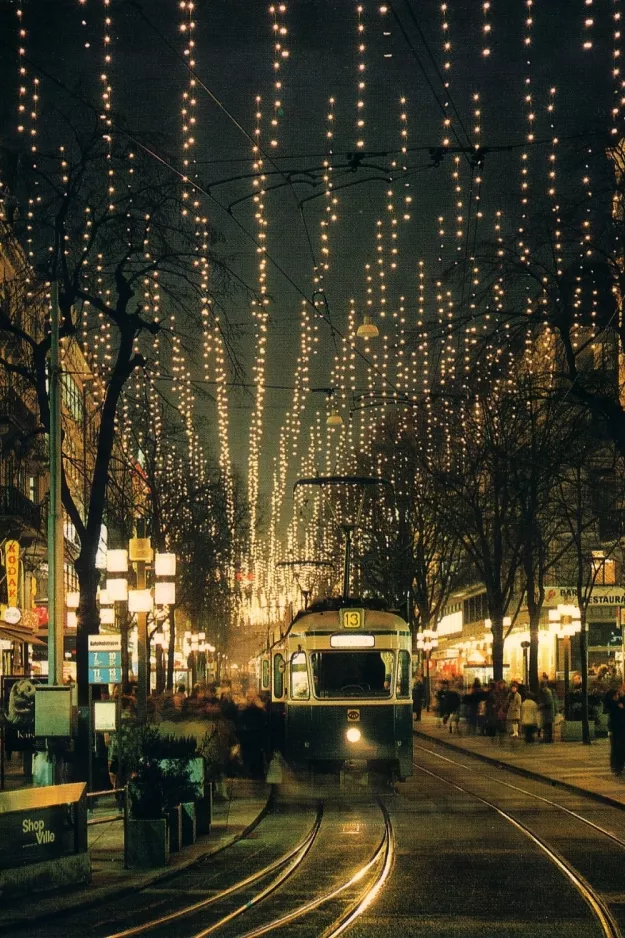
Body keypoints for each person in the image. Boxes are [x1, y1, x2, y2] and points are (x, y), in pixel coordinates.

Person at [604, 684, 625, 775]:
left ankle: (619, 766)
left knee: (619, 748)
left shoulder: (620, 702)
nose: (617, 696)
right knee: (616, 748)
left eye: (618, 695)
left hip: (620, 729)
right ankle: (617, 767)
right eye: (616, 695)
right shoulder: (613, 705)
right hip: (616, 730)